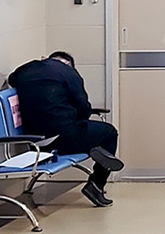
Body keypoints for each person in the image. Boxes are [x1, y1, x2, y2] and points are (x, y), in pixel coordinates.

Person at [8, 51, 124, 207]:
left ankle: (94, 149)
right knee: (109, 132)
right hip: (62, 138)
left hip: (34, 141)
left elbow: (11, 79)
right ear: (69, 65)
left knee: (87, 133)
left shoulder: (26, 69)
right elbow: (84, 109)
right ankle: (96, 184)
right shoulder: (69, 73)